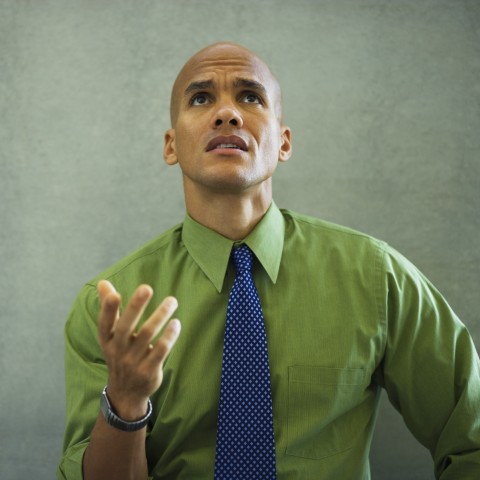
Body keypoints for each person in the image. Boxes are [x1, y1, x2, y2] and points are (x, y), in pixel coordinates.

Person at [57, 42, 480, 480]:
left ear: (283, 142)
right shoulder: (109, 308)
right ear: (171, 146)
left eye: (250, 97)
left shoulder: (377, 277)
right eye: (201, 98)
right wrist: (125, 402)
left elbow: (472, 439)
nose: (227, 114)